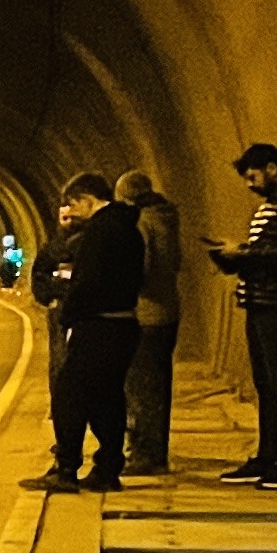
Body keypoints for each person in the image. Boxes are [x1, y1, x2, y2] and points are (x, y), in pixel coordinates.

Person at [207, 141, 277, 488]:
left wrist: (241, 254)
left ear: (272, 168)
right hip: (260, 302)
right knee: (266, 383)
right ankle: (267, 455)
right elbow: (267, 252)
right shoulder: (272, 205)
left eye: (253, 176)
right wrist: (232, 258)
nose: (250, 184)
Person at [31, 171, 146, 492]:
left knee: (69, 394)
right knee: (108, 398)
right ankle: (108, 469)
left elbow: (87, 282)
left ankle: (66, 468)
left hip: (96, 325)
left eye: (73, 203)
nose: (71, 211)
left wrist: (69, 315)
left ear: (87, 199)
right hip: (125, 323)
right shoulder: (130, 230)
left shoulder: (98, 232)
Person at [116, 170, 181, 472]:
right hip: (167, 311)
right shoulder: (166, 216)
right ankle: (157, 449)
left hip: (144, 314)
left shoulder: (141, 222)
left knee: (140, 387)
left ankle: (145, 454)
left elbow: (137, 269)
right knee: (159, 384)